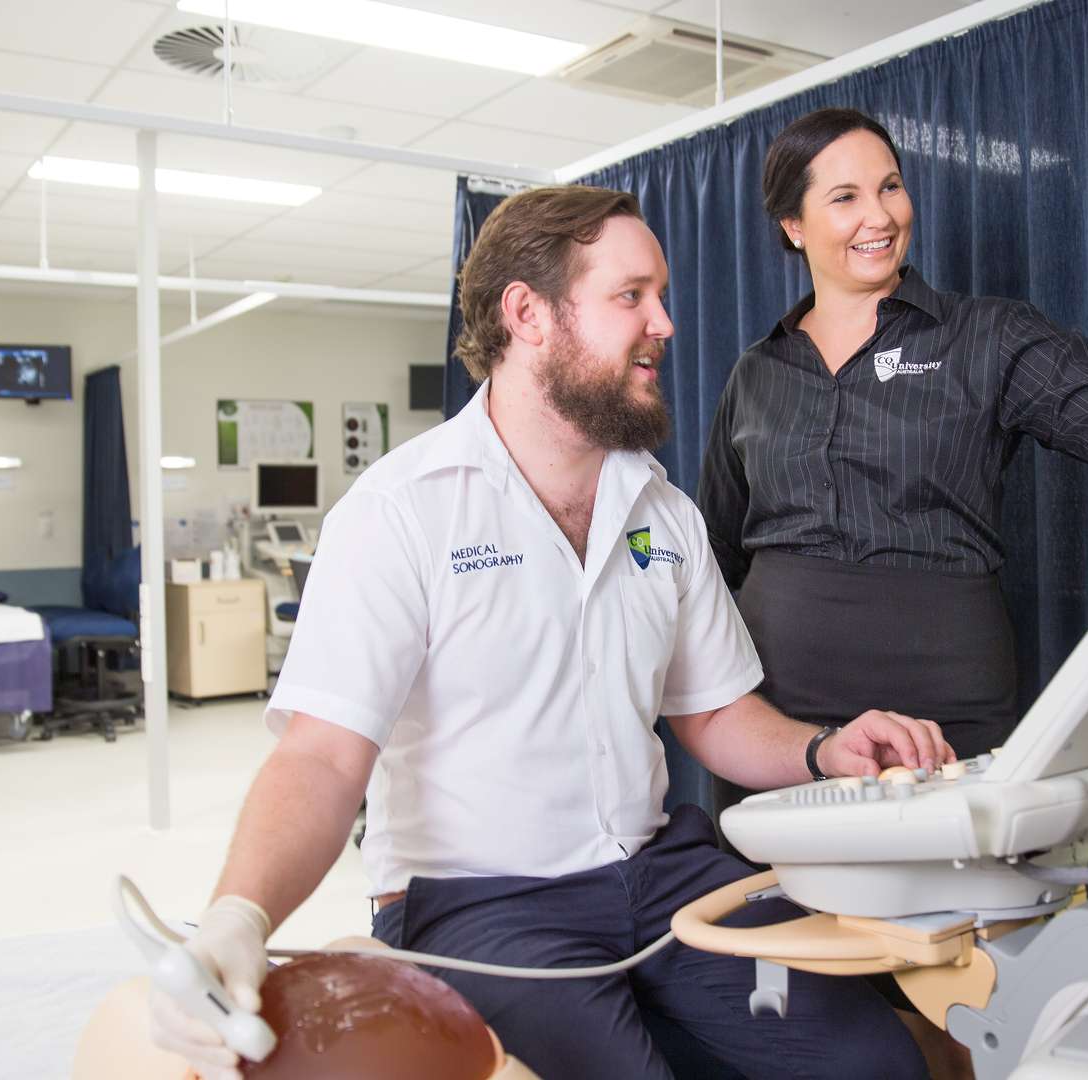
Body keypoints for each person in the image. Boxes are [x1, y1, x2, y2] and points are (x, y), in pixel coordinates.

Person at [149, 186, 950, 1080]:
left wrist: (824, 751)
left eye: (663, 294)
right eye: (631, 295)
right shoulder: (400, 513)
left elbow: (714, 715)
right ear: (528, 314)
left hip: (662, 873)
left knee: (876, 1062)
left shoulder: (664, 512)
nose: (666, 323)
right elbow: (323, 758)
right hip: (480, 902)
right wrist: (238, 915)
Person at [698, 108, 1088, 800]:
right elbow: (717, 551)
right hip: (780, 714)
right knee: (772, 901)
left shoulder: (986, 335)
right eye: (845, 197)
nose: (880, 216)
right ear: (793, 226)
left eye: (890, 187)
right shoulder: (758, 371)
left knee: (951, 901)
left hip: (943, 703)